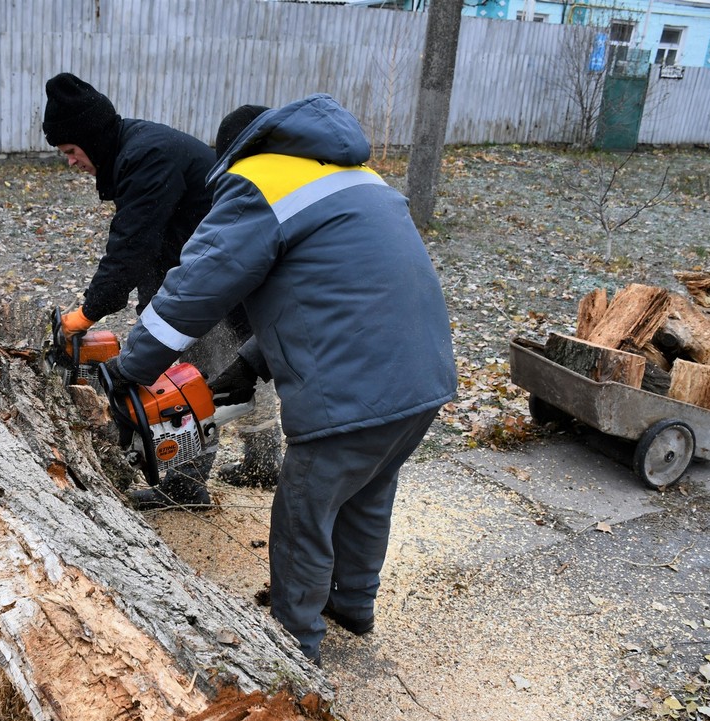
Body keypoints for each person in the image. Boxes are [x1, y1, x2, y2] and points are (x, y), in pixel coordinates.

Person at [105, 95, 457, 666]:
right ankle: (353, 605)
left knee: (302, 511)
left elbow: (195, 291)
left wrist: (129, 370)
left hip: (353, 390)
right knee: (366, 492)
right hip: (423, 378)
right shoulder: (357, 176)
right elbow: (332, 293)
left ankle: (295, 647)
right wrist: (252, 360)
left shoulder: (258, 184)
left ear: (235, 154)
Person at [42, 72, 281, 506]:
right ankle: (263, 464)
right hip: (217, 266)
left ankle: (186, 485)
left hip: (220, 271)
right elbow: (153, 244)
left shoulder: (147, 156)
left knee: (192, 373)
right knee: (239, 360)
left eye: (71, 151)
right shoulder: (135, 149)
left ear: (91, 139)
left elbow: (132, 243)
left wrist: (88, 313)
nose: (71, 162)